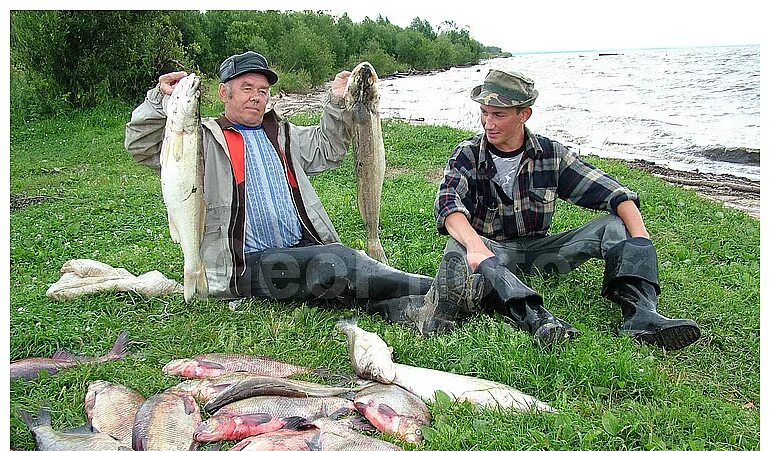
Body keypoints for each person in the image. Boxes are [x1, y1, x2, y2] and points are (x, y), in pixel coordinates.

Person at [378, 69, 700, 351]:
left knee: (617, 227)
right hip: (489, 256)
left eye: (499, 115)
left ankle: (641, 315)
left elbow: (615, 193)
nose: (488, 123)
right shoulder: (466, 154)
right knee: (457, 246)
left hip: (540, 253)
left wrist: (641, 241)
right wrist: (477, 248)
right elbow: (448, 205)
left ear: (524, 114)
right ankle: (536, 318)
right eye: (484, 113)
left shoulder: (550, 154)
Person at [125, 50, 431, 309]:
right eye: (247, 88)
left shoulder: (282, 134)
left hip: (298, 248)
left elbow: (329, 148)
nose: (256, 97)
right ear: (224, 93)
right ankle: (436, 289)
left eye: (262, 91)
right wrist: (157, 101)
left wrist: (337, 101)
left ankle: (416, 307)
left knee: (344, 276)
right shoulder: (199, 140)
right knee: (338, 263)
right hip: (245, 265)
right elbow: (141, 145)